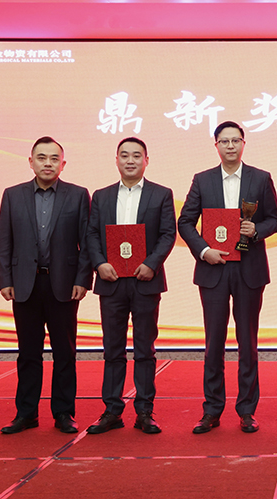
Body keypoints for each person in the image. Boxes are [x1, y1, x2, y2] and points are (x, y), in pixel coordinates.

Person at [178, 121, 277, 434]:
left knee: (248, 342)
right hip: (213, 269)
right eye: (224, 141)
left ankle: (247, 410)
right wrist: (203, 250)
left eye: (236, 140)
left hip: (249, 269)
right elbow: (185, 222)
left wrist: (257, 230)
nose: (230, 146)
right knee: (214, 342)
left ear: (243, 144)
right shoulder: (202, 180)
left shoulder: (260, 178)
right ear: (216, 146)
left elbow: (275, 219)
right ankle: (212, 410)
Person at [0, 136, 92, 434]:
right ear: (31, 162)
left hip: (63, 284)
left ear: (63, 164)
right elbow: (3, 241)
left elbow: (87, 243)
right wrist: (5, 279)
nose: (47, 163)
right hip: (25, 285)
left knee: (65, 352)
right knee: (28, 353)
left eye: (53, 158)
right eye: (41, 158)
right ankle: (26, 413)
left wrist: (83, 280)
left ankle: (63, 412)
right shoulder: (13, 195)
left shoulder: (78, 195)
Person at [85, 137, 176, 434]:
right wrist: (100, 263)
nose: (130, 160)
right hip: (111, 282)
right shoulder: (101, 196)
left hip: (145, 281)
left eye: (137, 155)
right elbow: (91, 235)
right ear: (116, 160)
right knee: (112, 349)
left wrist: (152, 264)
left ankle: (145, 411)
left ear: (146, 160)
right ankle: (112, 411)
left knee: (144, 349)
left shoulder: (161, 194)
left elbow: (168, 234)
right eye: (124, 155)